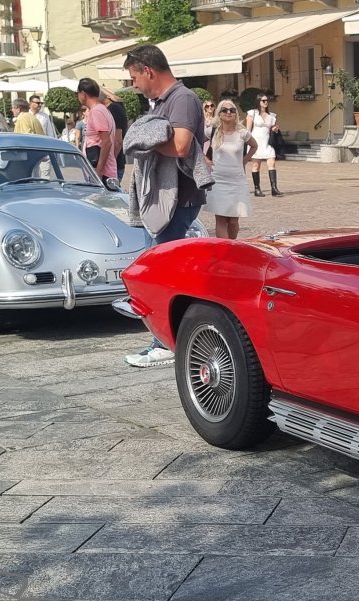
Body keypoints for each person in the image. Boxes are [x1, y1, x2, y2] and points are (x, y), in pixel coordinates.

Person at [121, 44, 208, 367]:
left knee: (162, 272)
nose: (134, 85)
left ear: (148, 71)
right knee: (158, 270)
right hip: (161, 199)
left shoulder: (182, 99)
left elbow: (182, 146)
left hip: (176, 199)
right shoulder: (161, 102)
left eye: (134, 78)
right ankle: (166, 339)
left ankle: (165, 343)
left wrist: (143, 143)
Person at [203, 99, 258, 239]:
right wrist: (205, 159)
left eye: (232, 110)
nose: (228, 112)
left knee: (233, 220)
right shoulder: (212, 131)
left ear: (235, 114)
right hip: (218, 180)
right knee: (221, 219)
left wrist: (245, 160)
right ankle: (224, 249)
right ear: (219, 114)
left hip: (237, 180)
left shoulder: (242, 133)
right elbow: (195, 142)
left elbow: (254, 146)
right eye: (225, 110)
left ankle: (232, 245)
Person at [77, 79, 117, 182]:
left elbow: (107, 142)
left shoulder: (96, 112)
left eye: (78, 93)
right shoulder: (101, 109)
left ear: (83, 94)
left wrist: (98, 172)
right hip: (103, 172)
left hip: (102, 174)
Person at [102, 90, 128, 182]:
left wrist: (111, 161)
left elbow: (118, 141)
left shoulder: (114, 109)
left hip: (114, 164)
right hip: (115, 163)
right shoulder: (115, 107)